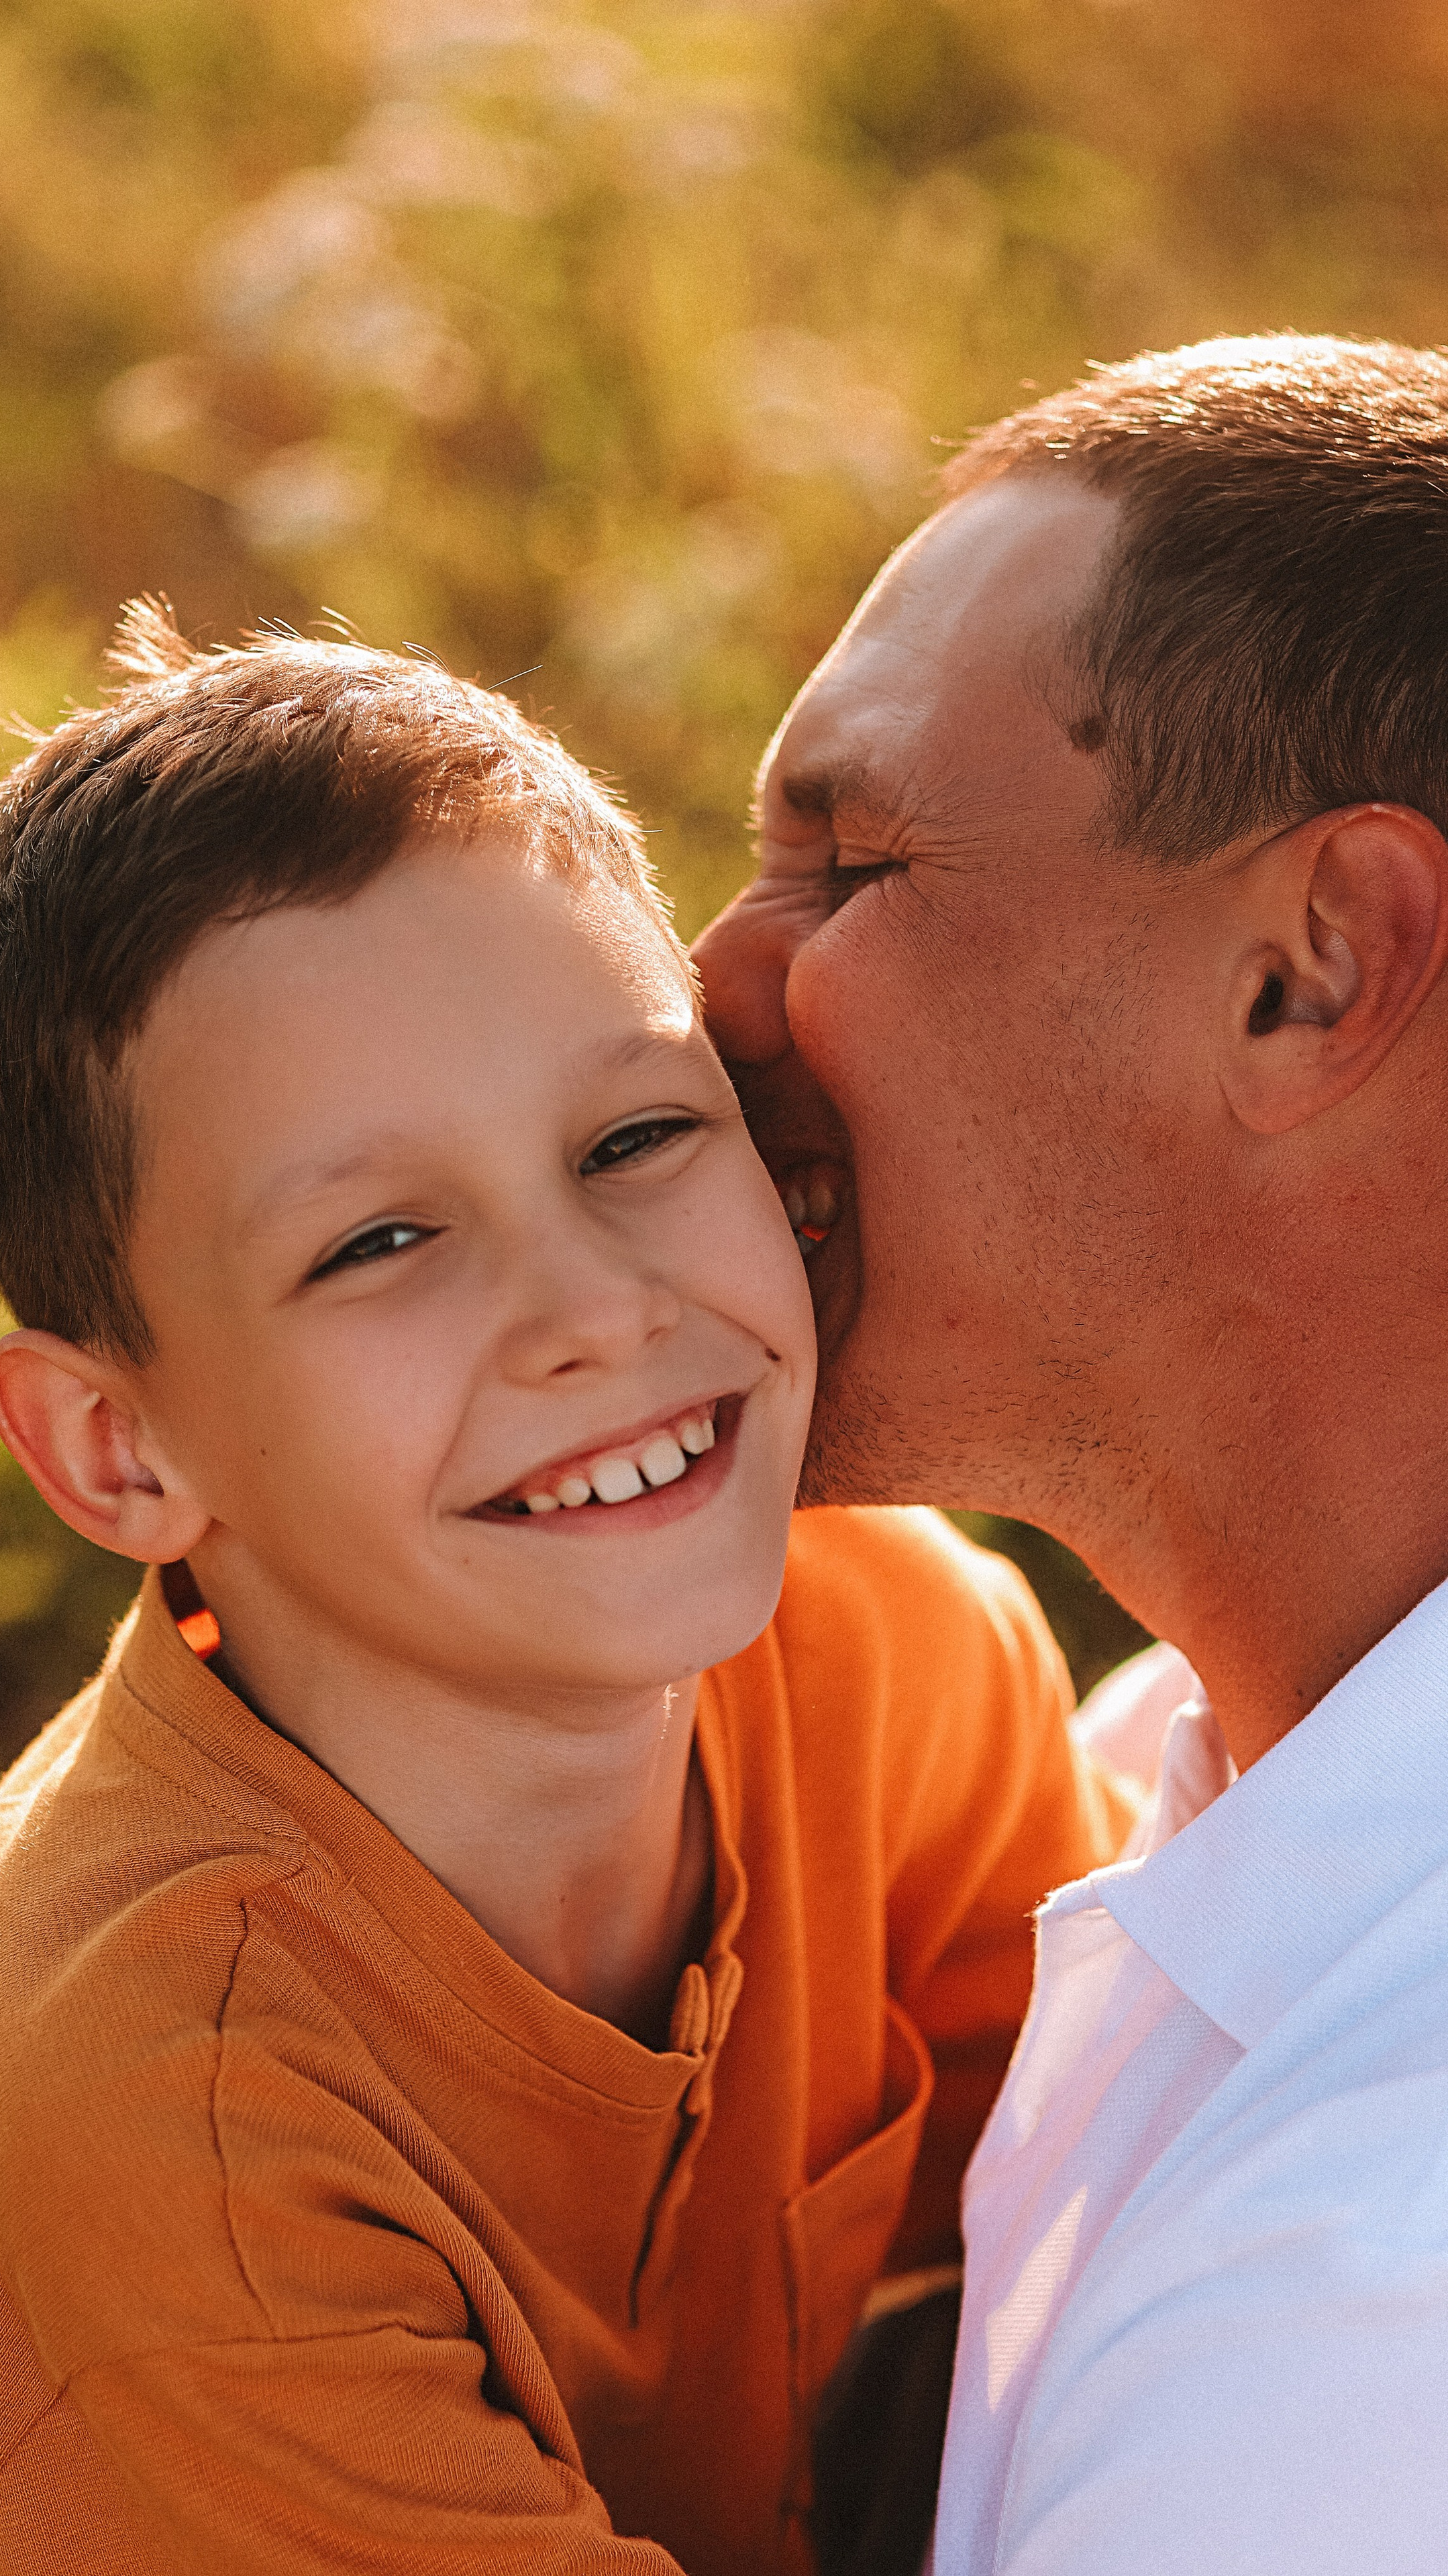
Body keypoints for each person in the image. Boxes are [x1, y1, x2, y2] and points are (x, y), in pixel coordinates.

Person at [0, 611, 1122, 2576]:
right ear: (116, 1450)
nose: (596, 1311)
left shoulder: (883, 1644)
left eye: (638, 1136)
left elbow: (1155, 2205)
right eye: (383, 1240)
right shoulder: (182, 2145)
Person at [693, 331, 1448, 2574]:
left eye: (848, 862)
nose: (709, 984)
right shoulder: (1171, 1757)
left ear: (1311, 972)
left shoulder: (1371, 2306)